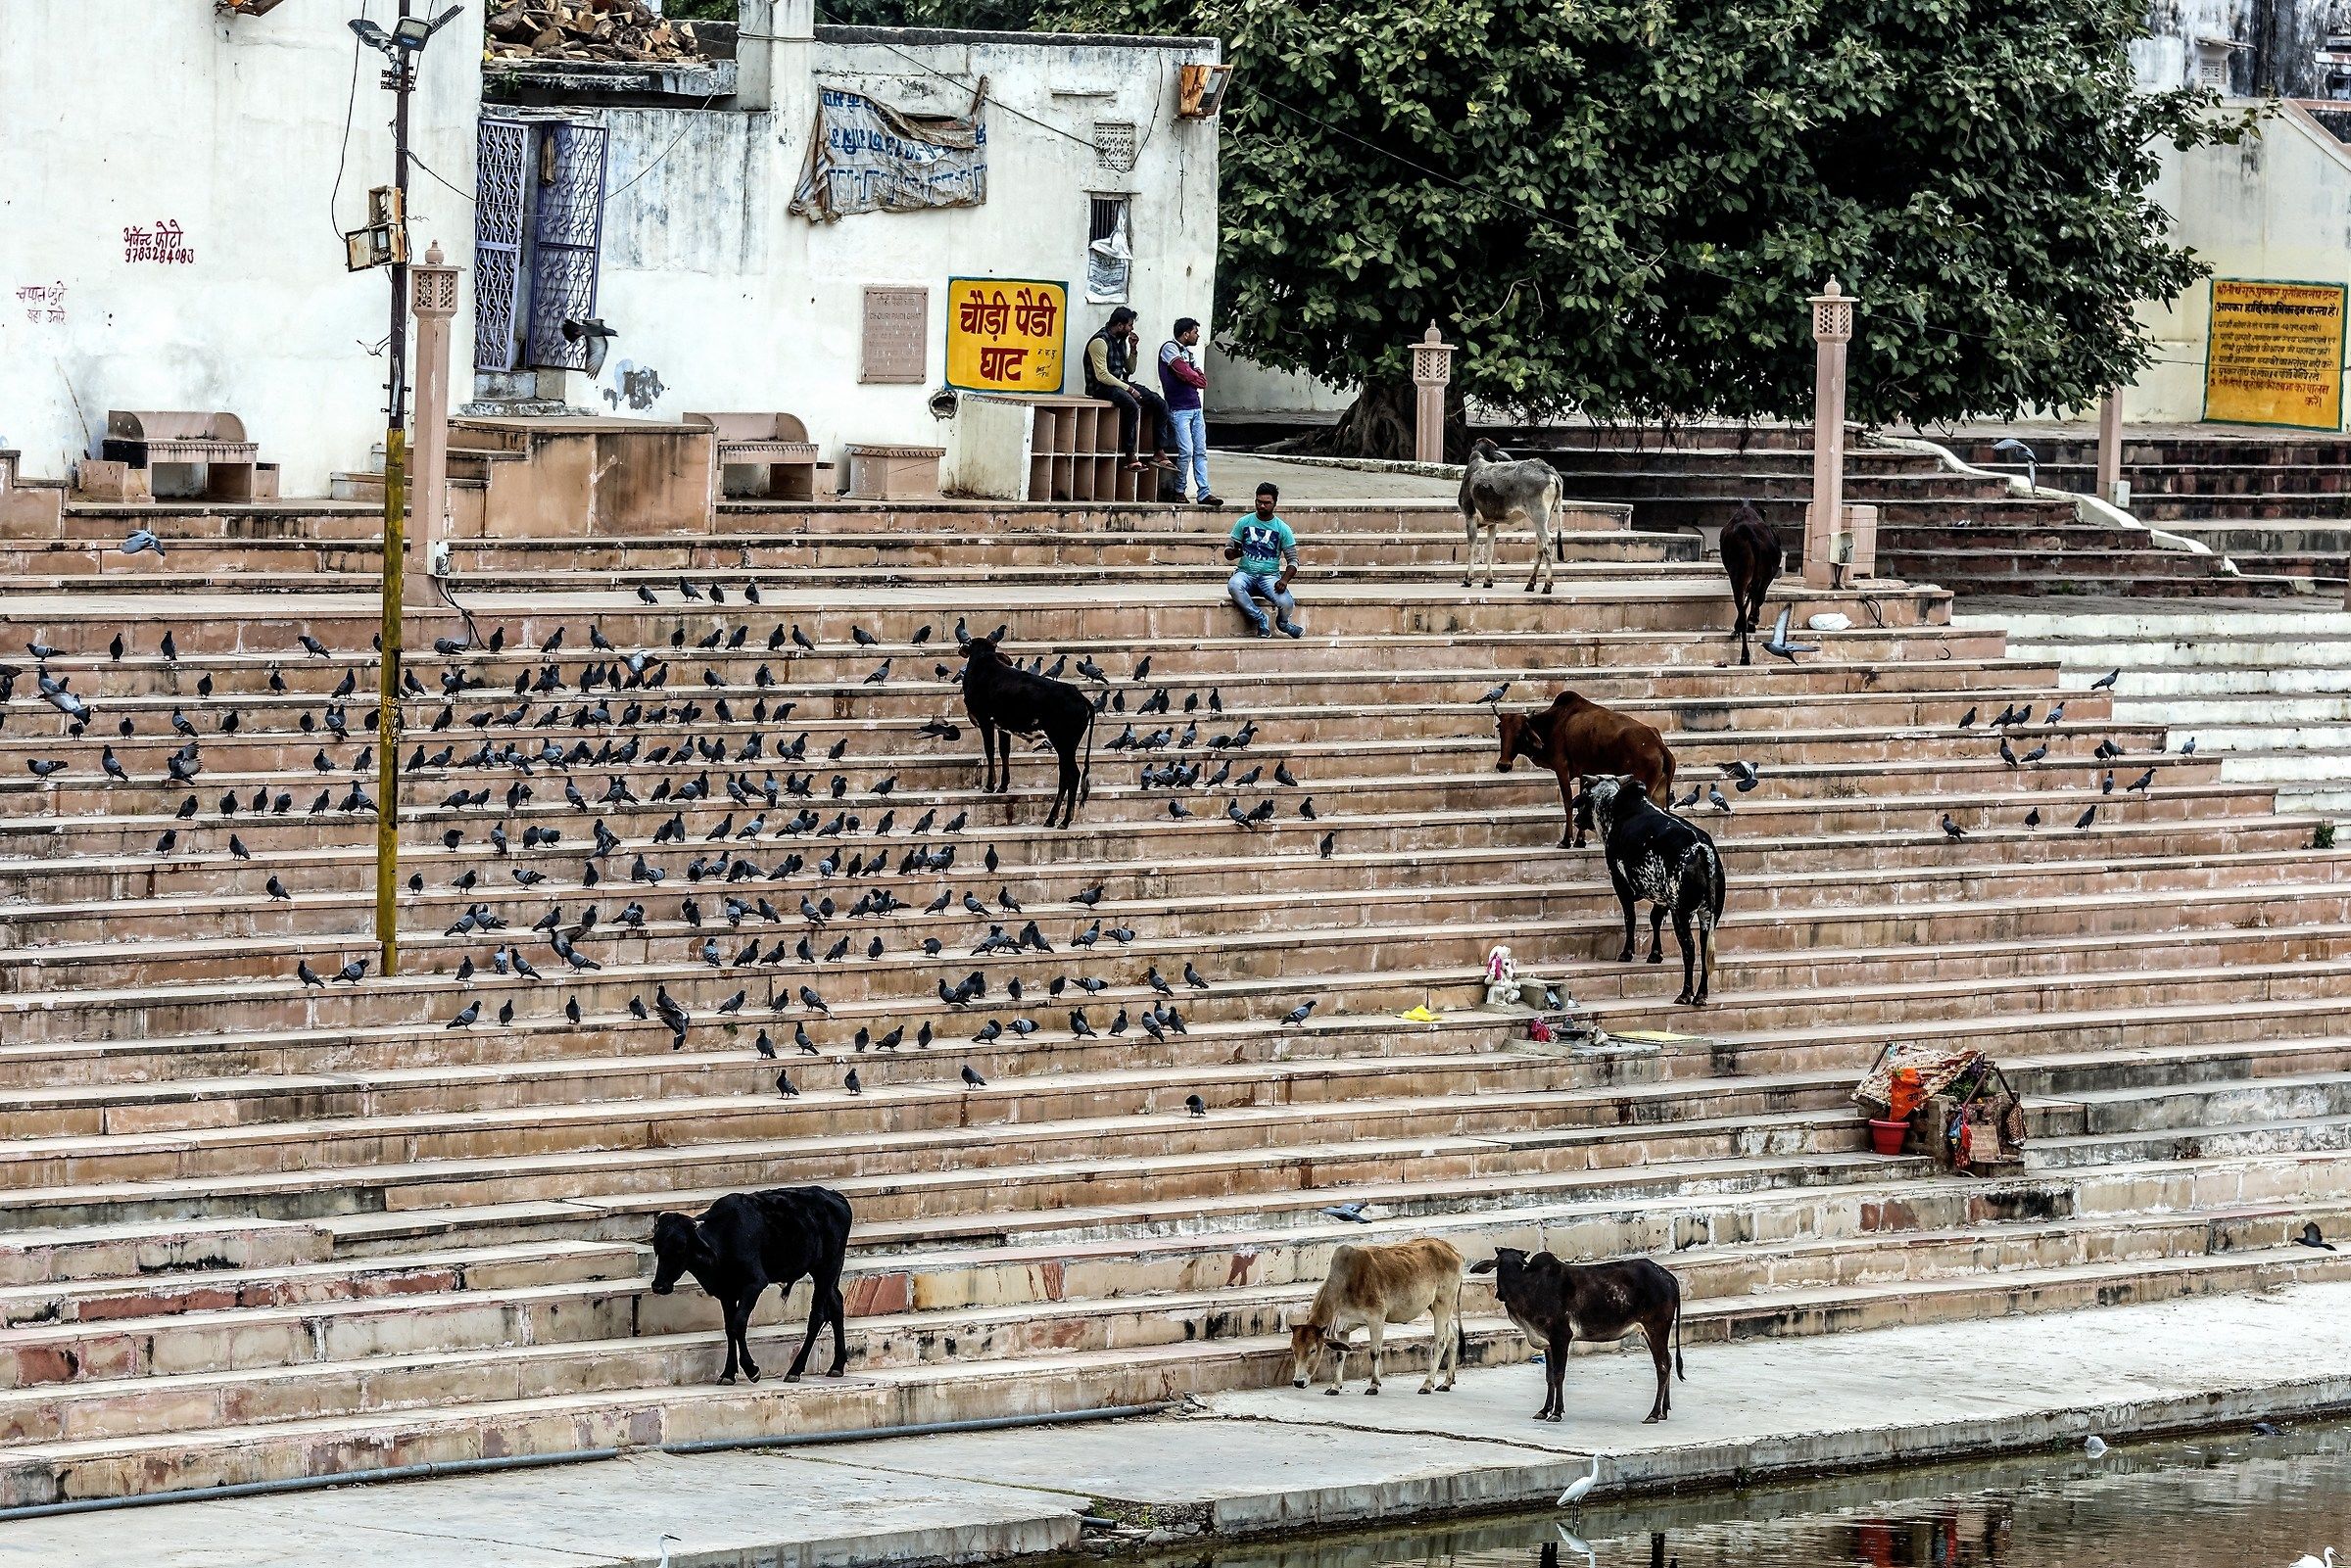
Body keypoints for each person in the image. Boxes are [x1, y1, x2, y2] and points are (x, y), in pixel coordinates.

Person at [1082, 307, 1172, 474]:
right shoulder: (1099, 342)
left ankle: (1159, 451)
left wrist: (1133, 349)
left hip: (1119, 383)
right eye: (1130, 325)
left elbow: (1130, 369)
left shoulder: (1120, 341)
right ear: (1119, 325)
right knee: (1131, 405)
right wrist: (1129, 389)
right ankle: (1130, 454)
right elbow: (1102, 375)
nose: (1132, 329)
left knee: (1159, 402)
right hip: (1101, 388)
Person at [1224, 482, 1301, 638]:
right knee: (1234, 584)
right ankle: (1261, 619)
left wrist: (1285, 580)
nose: (1262, 506)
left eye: (1267, 503)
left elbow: (1293, 561)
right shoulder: (1244, 522)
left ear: (1275, 503)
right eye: (1259, 502)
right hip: (1245, 573)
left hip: (1270, 576)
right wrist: (1234, 553)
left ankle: (1283, 623)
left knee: (1287, 603)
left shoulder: (1282, 528)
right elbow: (1228, 551)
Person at [1158, 317, 1218, 505]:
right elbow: (1183, 372)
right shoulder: (1169, 348)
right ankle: (1179, 490)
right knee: (1186, 452)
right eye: (1195, 332)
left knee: (1200, 452)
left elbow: (1200, 379)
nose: (1197, 335)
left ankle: (1204, 492)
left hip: (1194, 408)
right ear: (1185, 334)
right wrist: (1193, 377)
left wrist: (1193, 377)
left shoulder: (1189, 354)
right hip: (1179, 409)